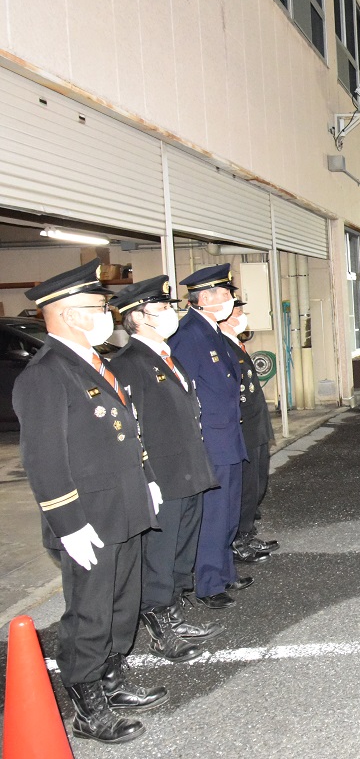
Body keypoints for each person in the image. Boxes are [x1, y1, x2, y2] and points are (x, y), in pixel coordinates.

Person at [13, 260, 165, 744]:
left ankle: (112, 678)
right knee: (91, 610)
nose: (106, 315)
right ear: (65, 313)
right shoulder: (46, 374)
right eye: (98, 307)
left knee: (122, 603)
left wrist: (146, 479)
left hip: (123, 506)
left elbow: (125, 432)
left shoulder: (92, 363)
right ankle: (86, 702)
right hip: (89, 518)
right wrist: (68, 523)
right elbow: (44, 460)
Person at [109, 277, 222, 665]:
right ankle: (160, 626)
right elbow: (130, 430)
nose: (171, 314)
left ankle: (173, 612)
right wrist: (146, 480)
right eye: (161, 309)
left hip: (189, 471)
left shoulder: (164, 355)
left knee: (179, 552)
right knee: (159, 555)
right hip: (163, 477)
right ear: (138, 318)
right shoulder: (128, 364)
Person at [169, 264, 249, 609]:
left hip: (227, 437)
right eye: (226, 294)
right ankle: (208, 583)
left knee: (228, 511)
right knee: (214, 515)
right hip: (210, 442)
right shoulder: (188, 335)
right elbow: (183, 392)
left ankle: (224, 571)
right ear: (206, 298)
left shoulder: (211, 330)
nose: (231, 300)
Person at [219, 300, 278, 562]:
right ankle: (239, 539)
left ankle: (247, 533)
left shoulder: (235, 344)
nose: (243, 317)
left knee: (256, 485)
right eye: (239, 313)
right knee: (245, 489)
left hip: (256, 427)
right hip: (244, 430)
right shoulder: (222, 346)